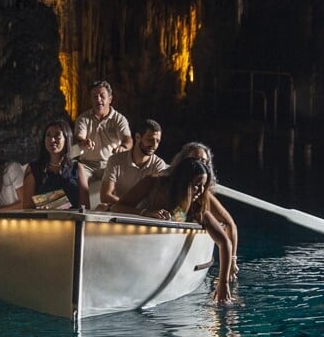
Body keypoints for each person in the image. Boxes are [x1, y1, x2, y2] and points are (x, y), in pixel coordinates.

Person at [113, 156, 235, 303]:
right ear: (183, 182)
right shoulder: (153, 183)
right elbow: (118, 207)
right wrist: (146, 213)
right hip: (133, 247)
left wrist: (223, 284)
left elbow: (224, 242)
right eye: (196, 185)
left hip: (158, 260)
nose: (201, 191)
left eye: (204, 186)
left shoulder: (196, 210)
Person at [170, 141, 240, 279]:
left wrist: (232, 261)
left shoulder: (202, 194)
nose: (200, 164)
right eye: (195, 159)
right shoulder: (166, 184)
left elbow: (230, 224)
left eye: (203, 161)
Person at [20, 119, 89, 209]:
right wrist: (54, 203)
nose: (52, 140)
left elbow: (85, 206)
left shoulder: (77, 168)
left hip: (71, 220)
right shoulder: (34, 168)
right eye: (48, 135)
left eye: (57, 136)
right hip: (42, 221)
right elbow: (27, 207)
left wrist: (49, 202)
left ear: (66, 139)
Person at [73, 80, 132, 182]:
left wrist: (123, 147)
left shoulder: (119, 119)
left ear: (110, 99)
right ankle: (52, 198)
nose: (98, 99)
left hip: (109, 164)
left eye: (102, 96)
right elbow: (79, 137)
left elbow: (128, 139)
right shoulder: (83, 118)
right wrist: (84, 142)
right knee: (71, 180)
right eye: (94, 96)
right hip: (86, 165)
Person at [98, 119, 166, 208]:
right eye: (150, 139)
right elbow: (105, 196)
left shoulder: (159, 165)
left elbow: (161, 200)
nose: (154, 145)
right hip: (120, 211)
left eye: (158, 141)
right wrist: (132, 209)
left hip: (144, 215)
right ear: (138, 137)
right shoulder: (115, 160)